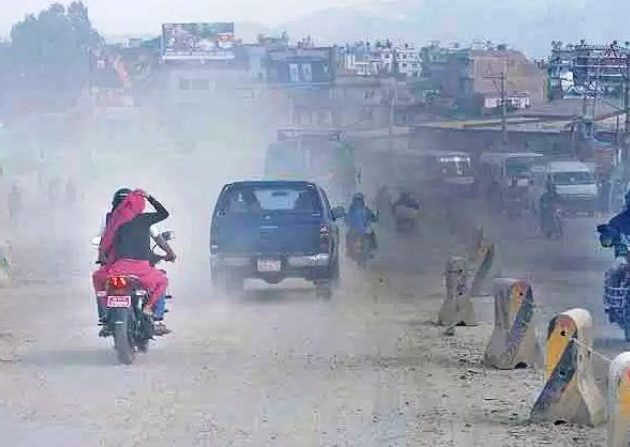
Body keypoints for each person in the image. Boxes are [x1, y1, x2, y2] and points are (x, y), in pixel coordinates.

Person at [92, 188, 175, 336]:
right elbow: (160, 234)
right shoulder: (144, 219)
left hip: (118, 266)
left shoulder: (113, 221)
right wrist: (150, 197)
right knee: (162, 280)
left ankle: (105, 314)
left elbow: (104, 242)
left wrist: (102, 255)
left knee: (99, 279)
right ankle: (153, 315)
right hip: (142, 267)